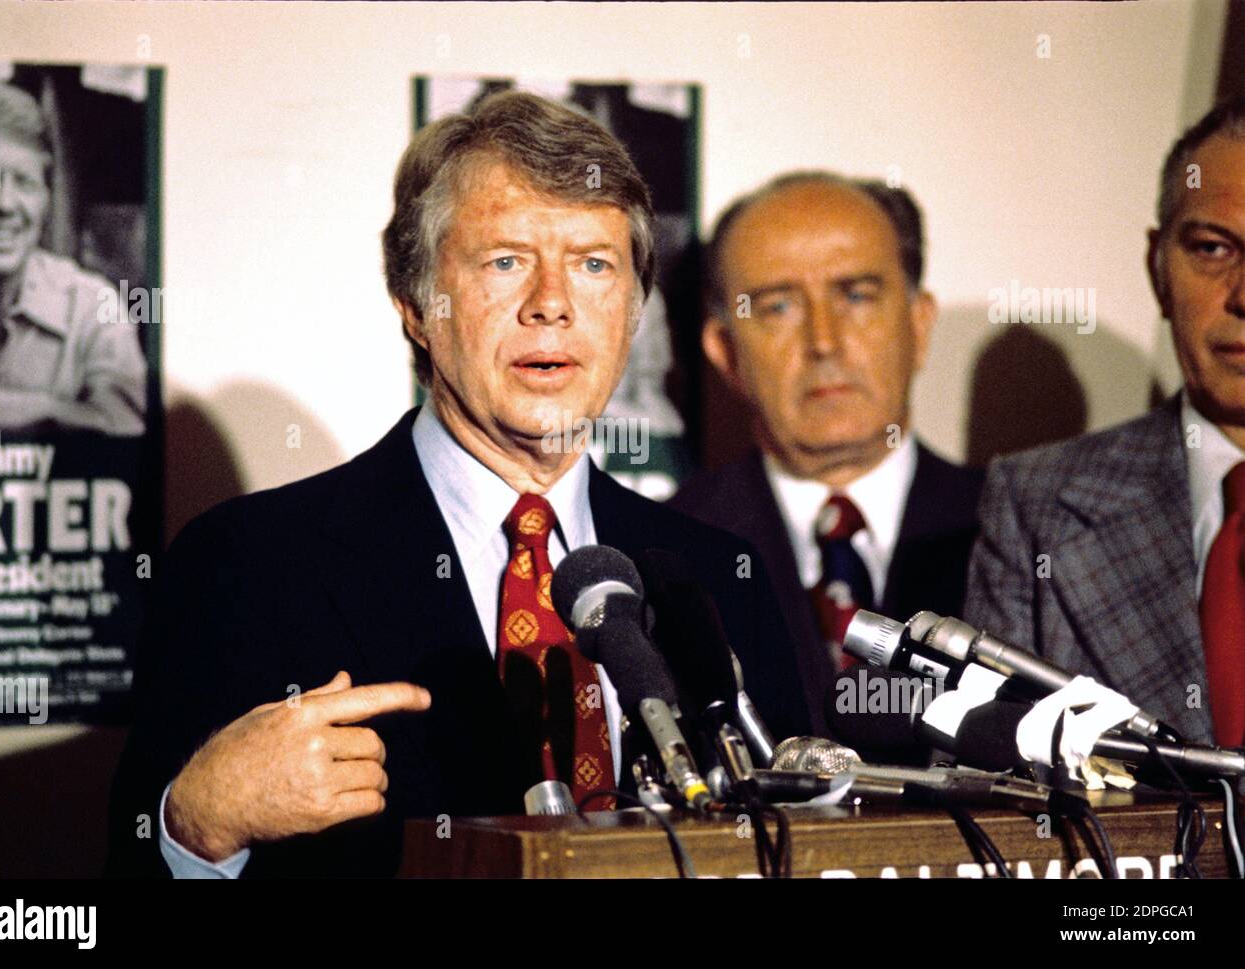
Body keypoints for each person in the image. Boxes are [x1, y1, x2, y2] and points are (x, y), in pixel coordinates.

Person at [106, 91, 811, 878]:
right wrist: (197, 823)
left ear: (633, 309)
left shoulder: (721, 575)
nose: (551, 305)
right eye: (505, 261)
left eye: (593, 264)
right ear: (416, 305)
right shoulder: (248, 563)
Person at [965, 98, 1245, 748]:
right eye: (1212, 247)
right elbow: (987, 797)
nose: (1243, 293)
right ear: (1158, 268)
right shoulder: (1033, 504)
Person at [672, 172, 983, 723]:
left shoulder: (1009, 527)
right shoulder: (669, 550)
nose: (824, 342)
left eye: (857, 296)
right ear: (724, 351)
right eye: (777, 307)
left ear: (919, 324)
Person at [0, 79, 145, 437]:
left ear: (46, 201)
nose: (5, 204)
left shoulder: (90, 305)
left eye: (24, 182)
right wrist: (52, 409)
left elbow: (127, 425)